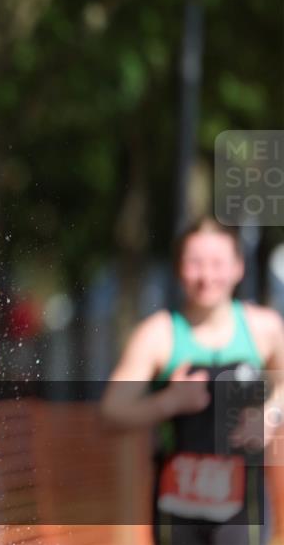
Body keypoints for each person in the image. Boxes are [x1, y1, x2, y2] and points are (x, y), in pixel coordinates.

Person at [102, 218, 284, 545]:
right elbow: (111, 412)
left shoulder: (265, 329)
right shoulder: (157, 335)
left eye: (217, 264)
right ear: (178, 268)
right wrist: (169, 401)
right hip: (177, 507)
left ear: (238, 268)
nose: (206, 276)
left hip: (244, 507)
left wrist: (270, 416)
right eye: (195, 263)